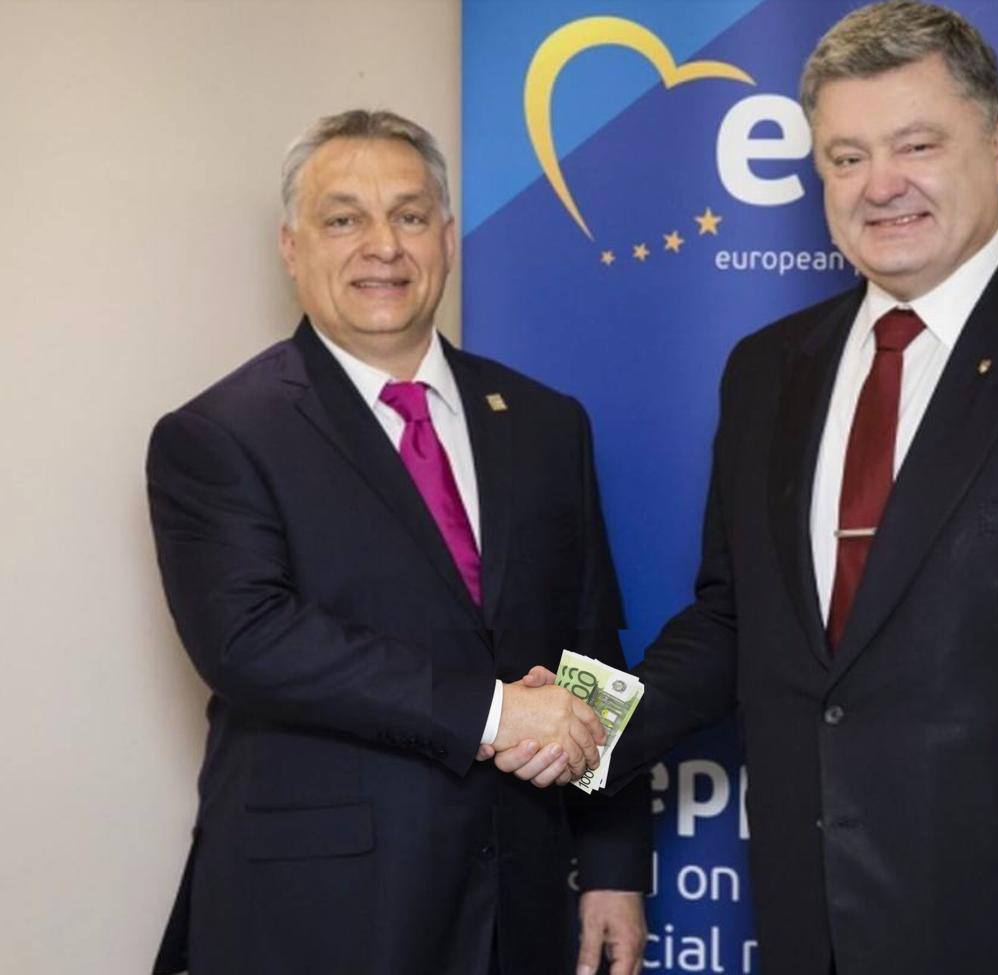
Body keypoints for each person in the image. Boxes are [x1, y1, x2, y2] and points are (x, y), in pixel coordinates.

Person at [502, 2, 998, 972]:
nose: (881, 184)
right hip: (810, 922)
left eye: (916, 144)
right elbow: (734, 619)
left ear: (996, 145)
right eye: (846, 156)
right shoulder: (767, 369)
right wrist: (577, 718)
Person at [146, 109, 648, 975]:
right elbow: (250, 641)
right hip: (320, 914)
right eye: (344, 218)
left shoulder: (545, 423)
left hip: (518, 902)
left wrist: (611, 863)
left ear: (447, 240)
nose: (383, 246)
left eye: (410, 216)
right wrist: (492, 713)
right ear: (292, 247)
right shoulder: (218, 435)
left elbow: (590, 648)